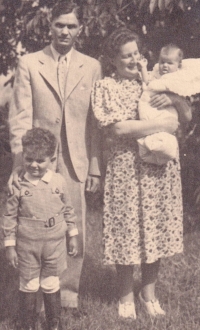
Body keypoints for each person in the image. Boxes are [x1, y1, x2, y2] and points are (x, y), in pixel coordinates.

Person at [92, 27, 191, 319]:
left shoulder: (160, 81)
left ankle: (148, 295)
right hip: (126, 169)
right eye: (126, 56)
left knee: (157, 229)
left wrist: (175, 101)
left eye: (137, 53)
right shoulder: (106, 87)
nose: (134, 60)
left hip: (161, 169)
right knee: (126, 231)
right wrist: (162, 126)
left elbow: (185, 119)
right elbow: (119, 128)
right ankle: (125, 297)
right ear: (113, 60)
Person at [8, 2, 102, 309]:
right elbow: (21, 117)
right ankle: (34, 296)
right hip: (37, 161)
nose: (65, 31)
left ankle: (68, 296)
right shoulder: (30, 63)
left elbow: (95, 123)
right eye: (60, 25)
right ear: (50, 27)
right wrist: (21, 164)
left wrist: (95, 167)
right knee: (34, 225)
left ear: (79, 30)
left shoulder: (91, 66)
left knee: (73, 224)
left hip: (76, 159)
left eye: (71, 26)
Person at [3, 127, 78, 330]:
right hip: (27, 246)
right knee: (28, 284)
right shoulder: (18, 185)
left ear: (51, 158)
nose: (34, 165)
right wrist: (10, 246)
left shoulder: (58, 182)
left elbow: (68, 210)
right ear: (24, 157)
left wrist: (72, 235)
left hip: (54, 244)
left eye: (40, 160)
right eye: (29, 160)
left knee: (51, 282)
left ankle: (54, 323)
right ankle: (27, 324)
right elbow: (9, 217)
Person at [137, 44, 200, 165]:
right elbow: (148, 82)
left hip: (167, 121)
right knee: (148, 142)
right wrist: (144, 68)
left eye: (169, 63)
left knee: (165, 143)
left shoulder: (180, 81)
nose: (165, 66)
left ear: (179, 65)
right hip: (152, 116)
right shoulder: (156, 76)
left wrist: (175, 99)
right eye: (162, 62)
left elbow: (187, 117)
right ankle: (149, 152)